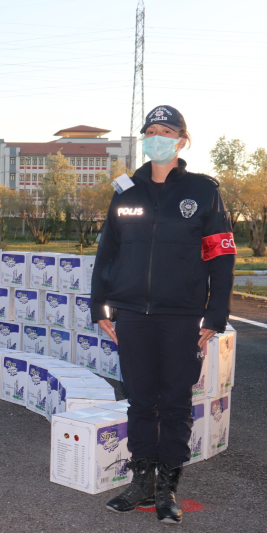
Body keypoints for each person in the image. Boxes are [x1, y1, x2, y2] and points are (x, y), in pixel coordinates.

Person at [91, 105, 235, 524]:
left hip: (182, 316)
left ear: (181, 141)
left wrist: (215, 316)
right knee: (139, 400)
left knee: (173, 402)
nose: (157, 137)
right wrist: (101, 306)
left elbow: (222, 258)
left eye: (166, 131)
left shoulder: (203, 191)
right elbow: (107, 253)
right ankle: (141, 483)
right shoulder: (126, 192)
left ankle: (167, 488)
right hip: (132, 314)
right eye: (151, 131)